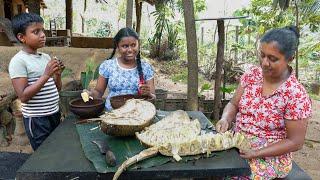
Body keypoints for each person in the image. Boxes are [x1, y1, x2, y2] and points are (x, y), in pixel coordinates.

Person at [215, 26, 312, 179]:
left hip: (269, 157)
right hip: (237, 144)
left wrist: (256, 152)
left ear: (290, 58)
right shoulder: (252, 75)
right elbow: (233, 104)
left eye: (272, 59)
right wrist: (225, 118)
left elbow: (295, 141)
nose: (264, 63)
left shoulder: (296, 95)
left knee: (237, 175)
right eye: (262, 55)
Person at [9, 13, 64, 150]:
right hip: (37, 120)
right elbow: (23, 96)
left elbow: (57, 89)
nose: (42, 35)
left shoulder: (45, 57)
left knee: (55, 149)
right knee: (43, 154)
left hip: (54, 114)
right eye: (36, 32)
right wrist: (46, 75)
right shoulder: (19, 61)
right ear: (22, 37)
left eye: (42, 30)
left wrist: (57, 75)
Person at [88, 27, 155, 111]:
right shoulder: (108, 66)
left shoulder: (146, 67)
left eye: (133, 45)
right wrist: (90, 94)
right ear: (118, 47)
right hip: (112, 114)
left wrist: (148, 93)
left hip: (137, 114)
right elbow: (98, 92)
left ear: (138, 45)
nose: (130, 50)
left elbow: (153, 97)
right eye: (125, 46)